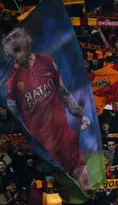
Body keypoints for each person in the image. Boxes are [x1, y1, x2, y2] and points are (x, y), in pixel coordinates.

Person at [2, 27, 91, 189]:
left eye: (16, 36)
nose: (13, 41)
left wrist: (79, 114)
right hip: (43, 139)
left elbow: (62, 91)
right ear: (7, 52)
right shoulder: (12, 83)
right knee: (65, 170)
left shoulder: (46, 61)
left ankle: (88, 191)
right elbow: (16, 114)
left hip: (61, 128)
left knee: (79, 169)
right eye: (8, 40)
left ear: (27, 39)